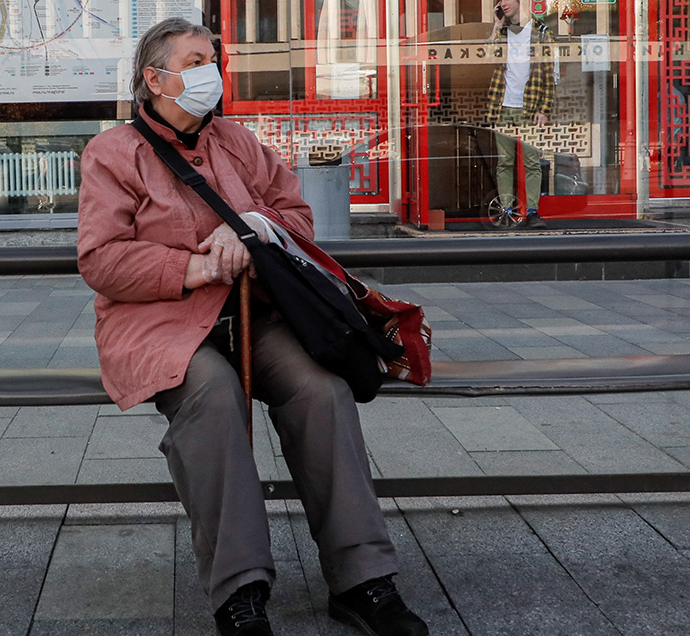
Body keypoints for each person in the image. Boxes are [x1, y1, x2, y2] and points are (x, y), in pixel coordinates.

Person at [77, 17, 429, 636]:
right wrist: (192, 266)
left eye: (211, 59)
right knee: (211, 399)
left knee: (322, 391)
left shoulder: (237, 141)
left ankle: (362, 579)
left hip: (254, 315)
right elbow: (101, 260)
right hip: (161, 323)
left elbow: (295, 215)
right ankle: (240, 592)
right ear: (154, 78)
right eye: (193, 61)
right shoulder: (113, 152)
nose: (209, 72)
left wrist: (250, 224)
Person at [486, 0, 555, 229]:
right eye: (499, 1)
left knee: (532, 163)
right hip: (503, 106)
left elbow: (549, 75)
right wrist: (496, 26)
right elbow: (487, 58)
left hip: (530, 107)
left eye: (507, 0)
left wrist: (544, 109)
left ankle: (532, 212)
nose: (502, 4)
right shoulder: (503, 33)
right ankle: (507, 210)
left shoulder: (541, 33)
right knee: (504, 162)